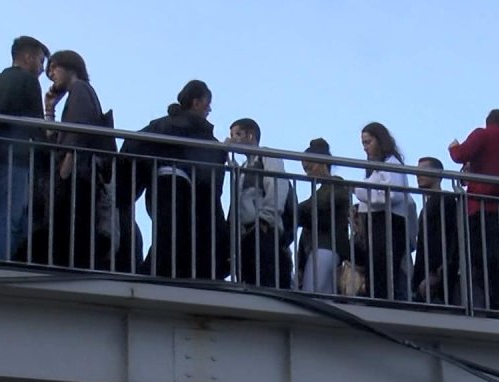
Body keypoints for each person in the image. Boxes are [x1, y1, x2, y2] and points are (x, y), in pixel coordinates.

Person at [120, 80, 229, 280]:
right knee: (179, 235)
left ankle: (155, 272)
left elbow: (133, 147)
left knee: (167, 235)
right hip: (181, 194)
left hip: (160, 189)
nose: (209, 109)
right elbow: (211, 174)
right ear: (197, 102)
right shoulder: (200, 133)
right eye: (207, 103)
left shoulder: (161, 125)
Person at [0, 35, 49, 261]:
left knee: (0, 213)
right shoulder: (27, 81)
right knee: (9, 215)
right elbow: (35, 124)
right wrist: (48, 153)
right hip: (15, 157)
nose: (42, 69)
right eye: (41, 61)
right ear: (28, 57)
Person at [41, 50, 115, 270]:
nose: (52, 74)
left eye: (54, 68)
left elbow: (78, 131)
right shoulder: (79, 92)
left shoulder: (80, 90)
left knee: (73, 227)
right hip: (79, 174)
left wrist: (66, 167)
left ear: (69, 66)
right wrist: (49, 110)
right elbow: (56, 137)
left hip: (78, 175)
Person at [448, 109, 499, 312]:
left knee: (482, 259)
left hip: (481, 205)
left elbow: (460, 155)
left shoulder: (482, 134)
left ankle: (490, 305)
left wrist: (453, 147)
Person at [228, 117, 292, 288]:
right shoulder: (242, 167)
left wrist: (266, 218)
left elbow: (278, 183)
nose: (234, 139)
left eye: (238, 134)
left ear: (251, 136)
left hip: (263, 229)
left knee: (266, 280)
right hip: (246, 233)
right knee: (249, 282)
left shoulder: (266, 156)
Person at [353, 122, 412, 301]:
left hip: (389, 223)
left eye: (368, 142)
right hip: (380, 222)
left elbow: (391, 194)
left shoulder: (392, 164)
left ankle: (384, 305)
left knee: (383, 270)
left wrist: (359, 191)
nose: (365, 148)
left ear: (380, 141)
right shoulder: (379, 169)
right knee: (376, 268)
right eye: (363, 143)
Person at [296, 138, 351, 294]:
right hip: (320, 249)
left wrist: (296, 210)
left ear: (322, 163)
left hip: (326, 248)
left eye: (310, 167)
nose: (307, 173)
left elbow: (317, 205)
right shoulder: (323, 191)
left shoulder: (336, 186)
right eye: (305, 169)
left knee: (314, 294)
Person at [411, 156, 461, 304]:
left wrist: (439, 270)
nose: (418, 176)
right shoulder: (426, 207)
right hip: (424, 273)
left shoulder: (446, 200)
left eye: (423, 171)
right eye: (417, 172)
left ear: (438, 174)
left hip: (437, 274)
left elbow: (450, 236)